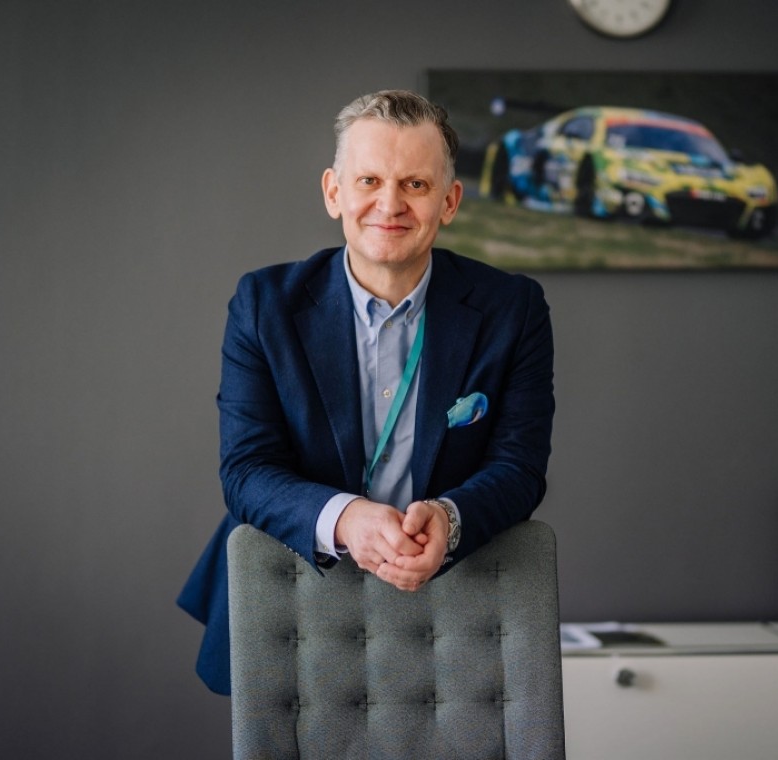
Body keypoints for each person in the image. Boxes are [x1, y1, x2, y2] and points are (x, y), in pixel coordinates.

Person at [177, 90, 556, 695]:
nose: (390, 204)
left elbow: (519, 467)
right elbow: (246, 470)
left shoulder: (514, 310)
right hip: (292, 594)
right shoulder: (263, 305)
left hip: (451, 603)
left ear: (449, 201)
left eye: (415, 184)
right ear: (334, 193)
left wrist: (451, 518)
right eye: (370, 180)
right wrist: (346, 519)